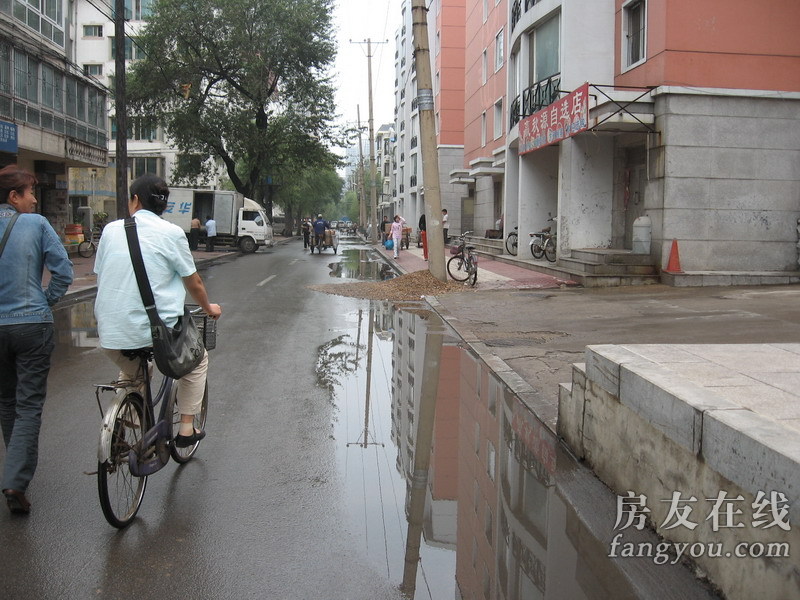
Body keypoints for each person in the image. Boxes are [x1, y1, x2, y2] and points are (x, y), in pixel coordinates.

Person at [94, 174, 221, 449]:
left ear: (135, 200)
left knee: (135, 370)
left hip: (109, 332)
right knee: (197, 360)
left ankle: (125, 419)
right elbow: (194, 282)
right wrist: (209, 308)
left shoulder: (110, 231)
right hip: (156, 332)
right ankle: (186, 428)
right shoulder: (172, 233)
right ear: (163, 206)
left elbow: (101, 273)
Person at [0, 165, 73, 514]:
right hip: (32, 324)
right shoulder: (37, 224)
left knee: (7, 402)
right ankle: (15, 479)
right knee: (28, 404)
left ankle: (17, 471)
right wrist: (45, 300)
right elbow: (63, 271)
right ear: (13, 197)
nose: (33, 200)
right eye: (30, 193)